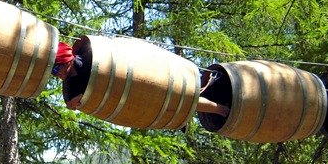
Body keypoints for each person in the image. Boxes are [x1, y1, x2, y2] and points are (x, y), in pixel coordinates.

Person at [52, 41, 229, 117]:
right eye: (53, 72)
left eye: (56, 68)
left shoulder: (90, 54)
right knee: (178, 101)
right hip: (131, 97)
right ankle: (218, 106)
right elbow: (78, 103)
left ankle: (220, 105)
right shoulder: (71, 87)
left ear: (65, 60)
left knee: (182, 94)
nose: (56, 74)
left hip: (142, 77)